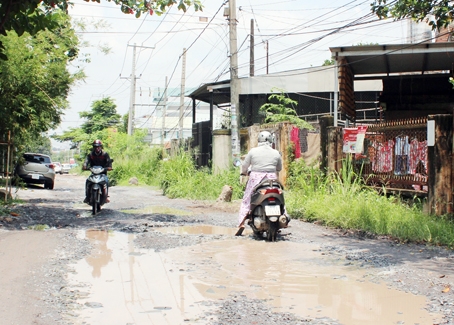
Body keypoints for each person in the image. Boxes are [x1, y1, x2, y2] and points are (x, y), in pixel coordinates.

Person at [237, 130, 282, 231]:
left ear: (259, 140)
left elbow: (245, 166)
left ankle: (242, 223)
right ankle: (284, 216)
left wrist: (244, 172)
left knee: (247, 199)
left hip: (255, 179)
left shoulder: (253, 151)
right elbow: (279, 168)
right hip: (272, 179)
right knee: (279, 196)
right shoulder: (276, 153)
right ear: (271, 140)